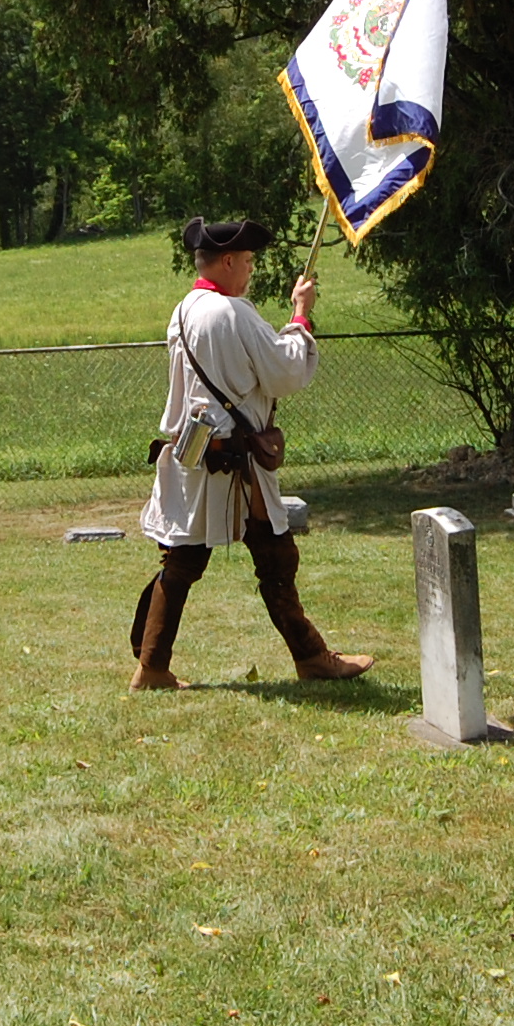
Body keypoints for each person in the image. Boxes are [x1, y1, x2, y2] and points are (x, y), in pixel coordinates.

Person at [128, 217, 372, 690]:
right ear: (227, 261)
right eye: (247, 260)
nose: (251, 269)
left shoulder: (184, 310)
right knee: (274, 558)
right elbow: (283, 371)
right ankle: (312, 659)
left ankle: (152, 667)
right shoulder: (232, 312)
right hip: (232, 460)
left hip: (195, 455)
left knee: (184, 564)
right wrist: (300, 315)